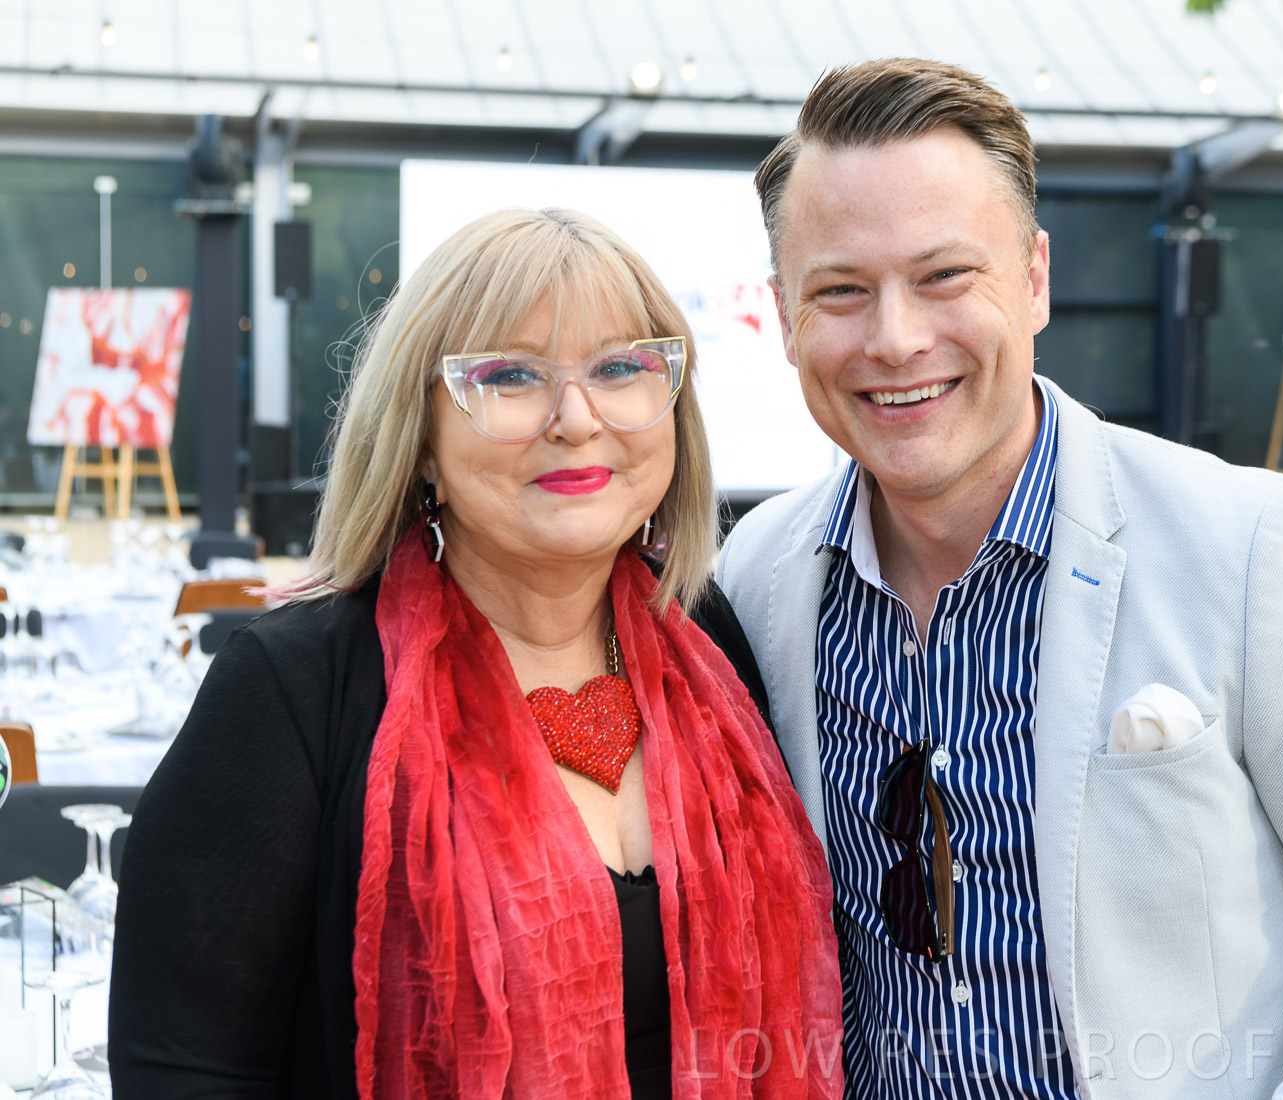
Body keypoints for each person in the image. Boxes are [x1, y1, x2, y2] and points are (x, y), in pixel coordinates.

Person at [717, 58, 1283, 1098]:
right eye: (841, 290)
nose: (896, 338)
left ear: (1035, 278)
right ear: (784, 314)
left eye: (944, 276)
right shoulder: (757, 576)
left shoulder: (1253, 546)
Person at [110, 208, 843, 1099]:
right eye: (510, 376)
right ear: (421, 442)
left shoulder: (709, 641)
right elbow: (185, 1070)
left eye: (621, 368)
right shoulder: (290, 690)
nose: (576, 418)